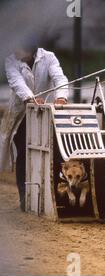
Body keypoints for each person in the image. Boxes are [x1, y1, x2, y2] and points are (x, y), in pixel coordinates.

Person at [0, 39, 69, 211]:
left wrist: (61, 96)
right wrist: (31, 98)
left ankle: (55, 196)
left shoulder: (49, 57)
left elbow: (59, 77)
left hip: (44, 113)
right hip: (20, 114)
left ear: (29, 50)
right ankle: (26, 198)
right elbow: (17, 83)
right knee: (23, 154)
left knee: (54, 153)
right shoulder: (11, 61)